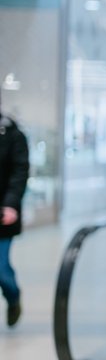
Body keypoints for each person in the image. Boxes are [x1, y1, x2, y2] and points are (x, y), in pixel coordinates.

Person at [0, 92, 29, 328]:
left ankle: (13, 296)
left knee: (0, 269)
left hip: (2, 215)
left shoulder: (13, 135)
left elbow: (19, 173)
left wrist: (10, 204)